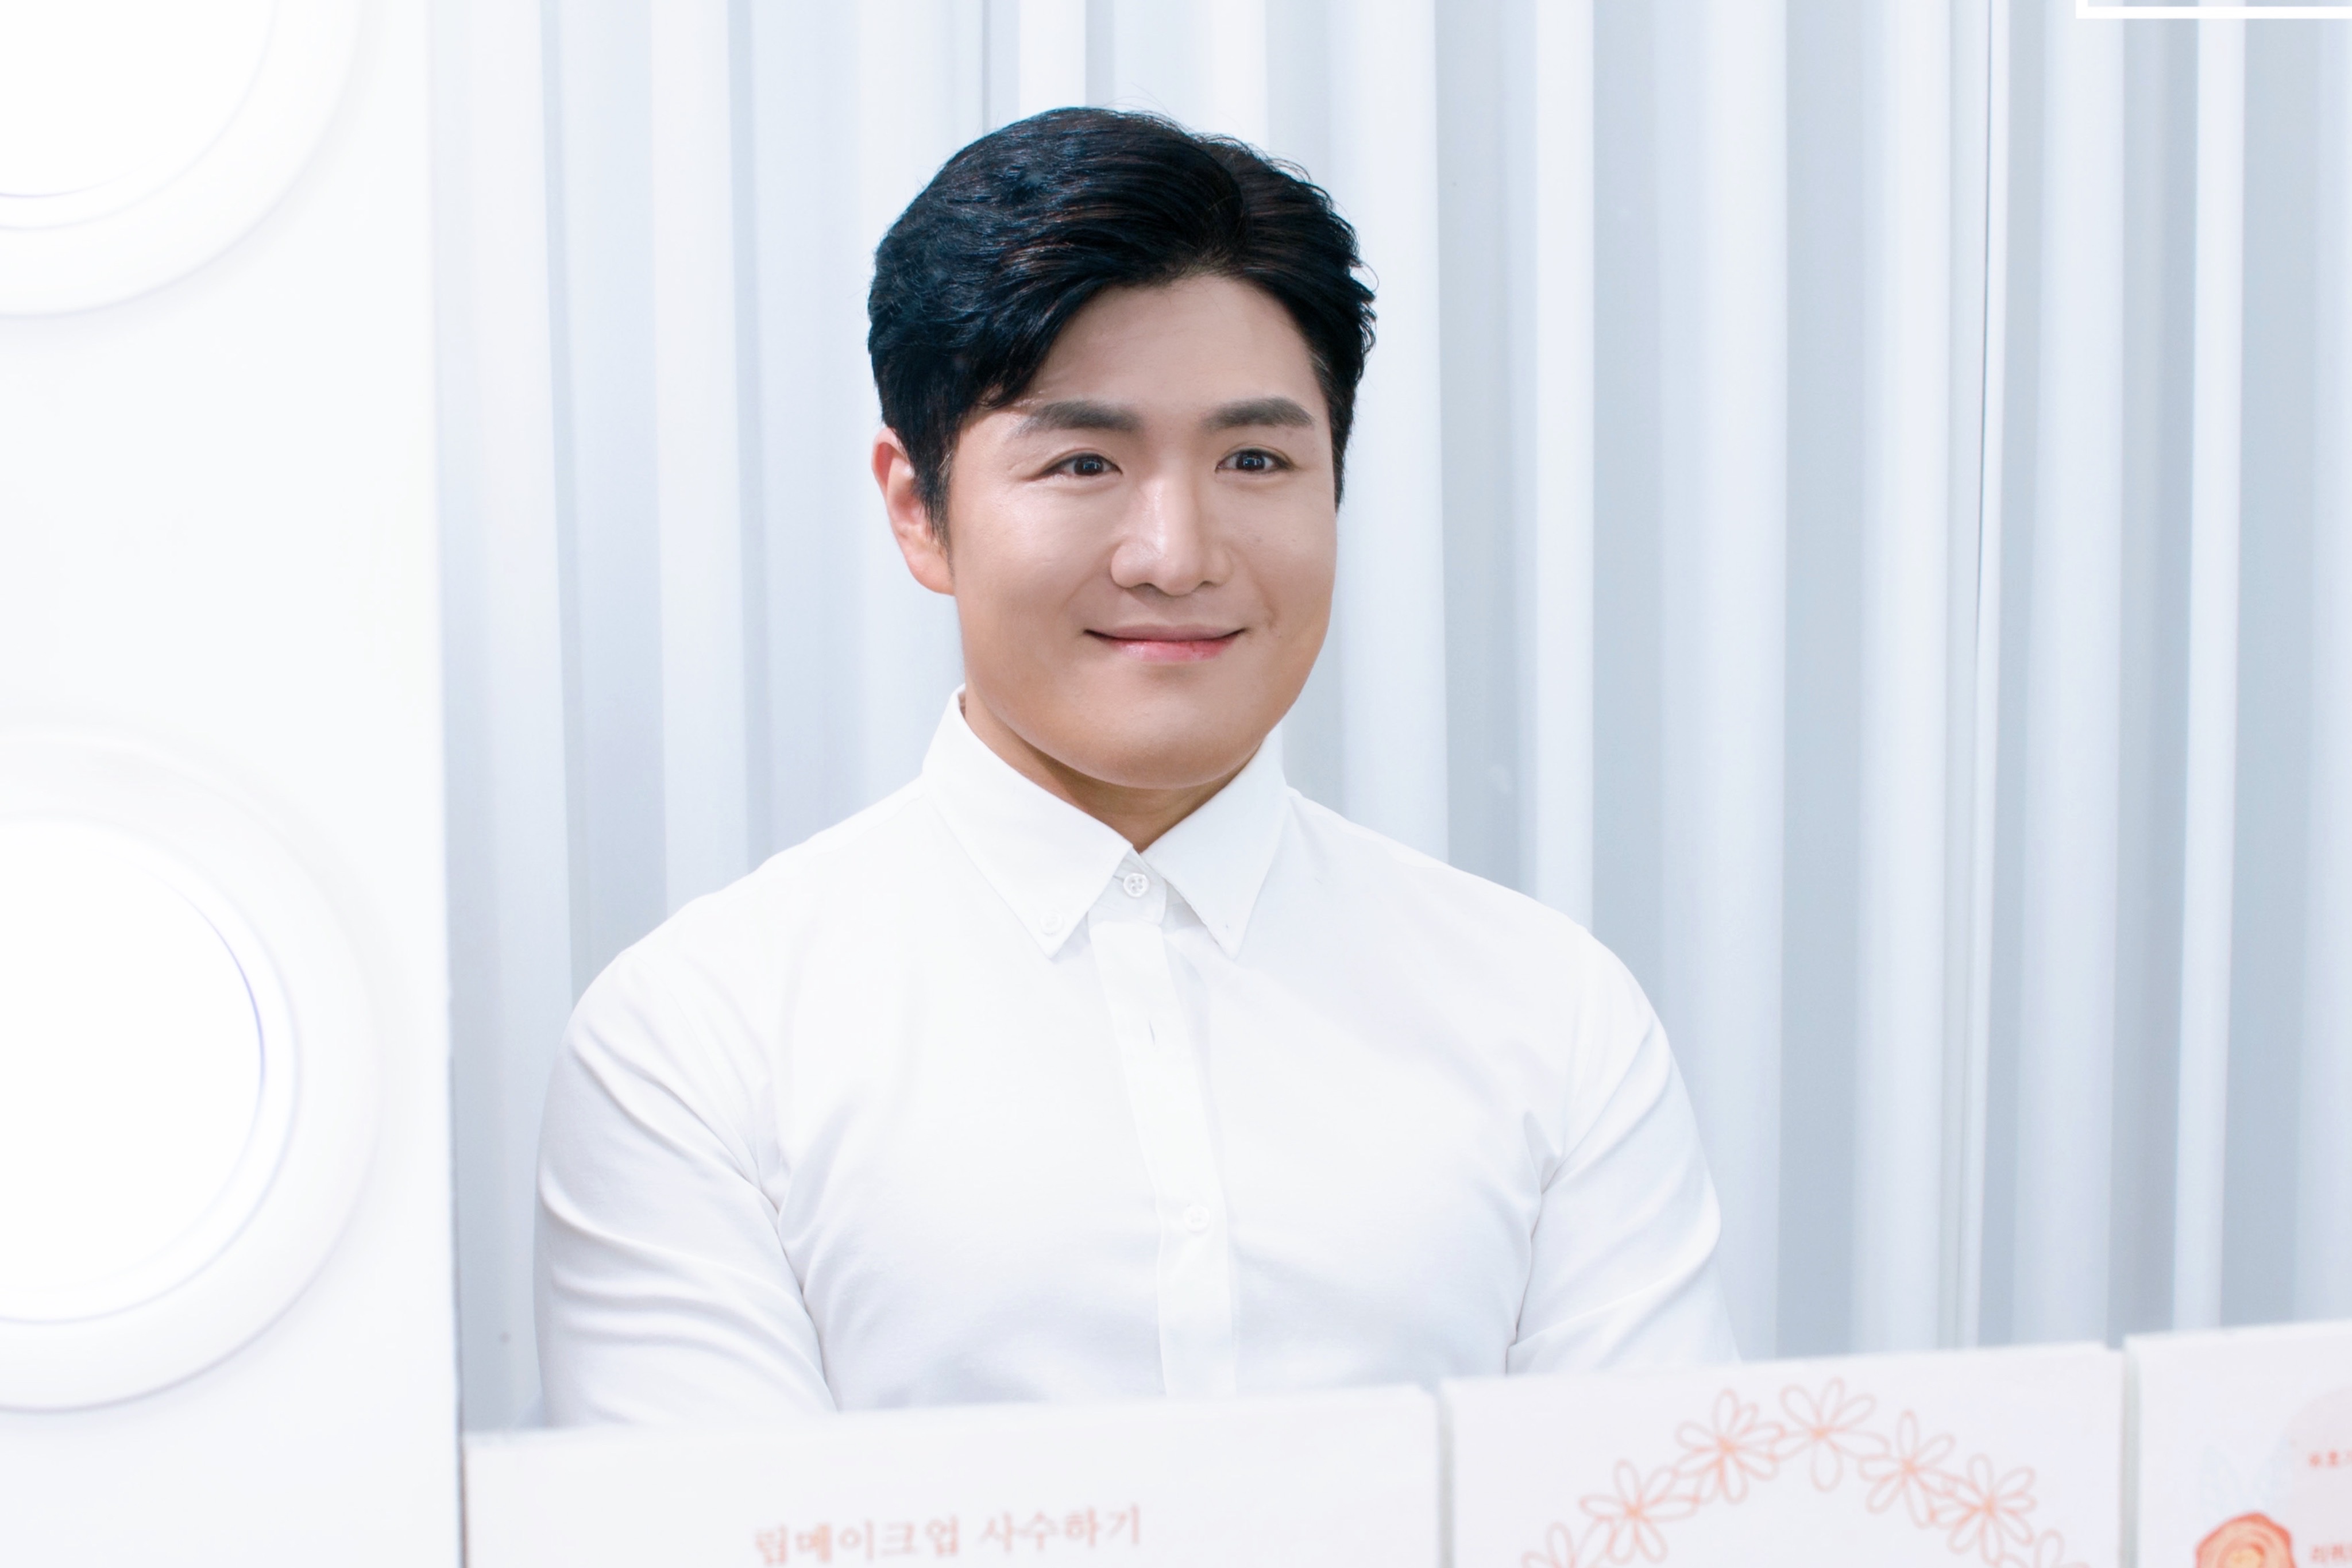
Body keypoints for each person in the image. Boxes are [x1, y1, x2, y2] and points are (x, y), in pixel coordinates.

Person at [534, 107, 1736, 1427]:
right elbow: (710, 1524)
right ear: (917, 509)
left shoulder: (1550, 1014)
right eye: (1084, 461)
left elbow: (1651, 1506)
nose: (1176, 554)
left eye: (1254, 459)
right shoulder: (699, 1041)